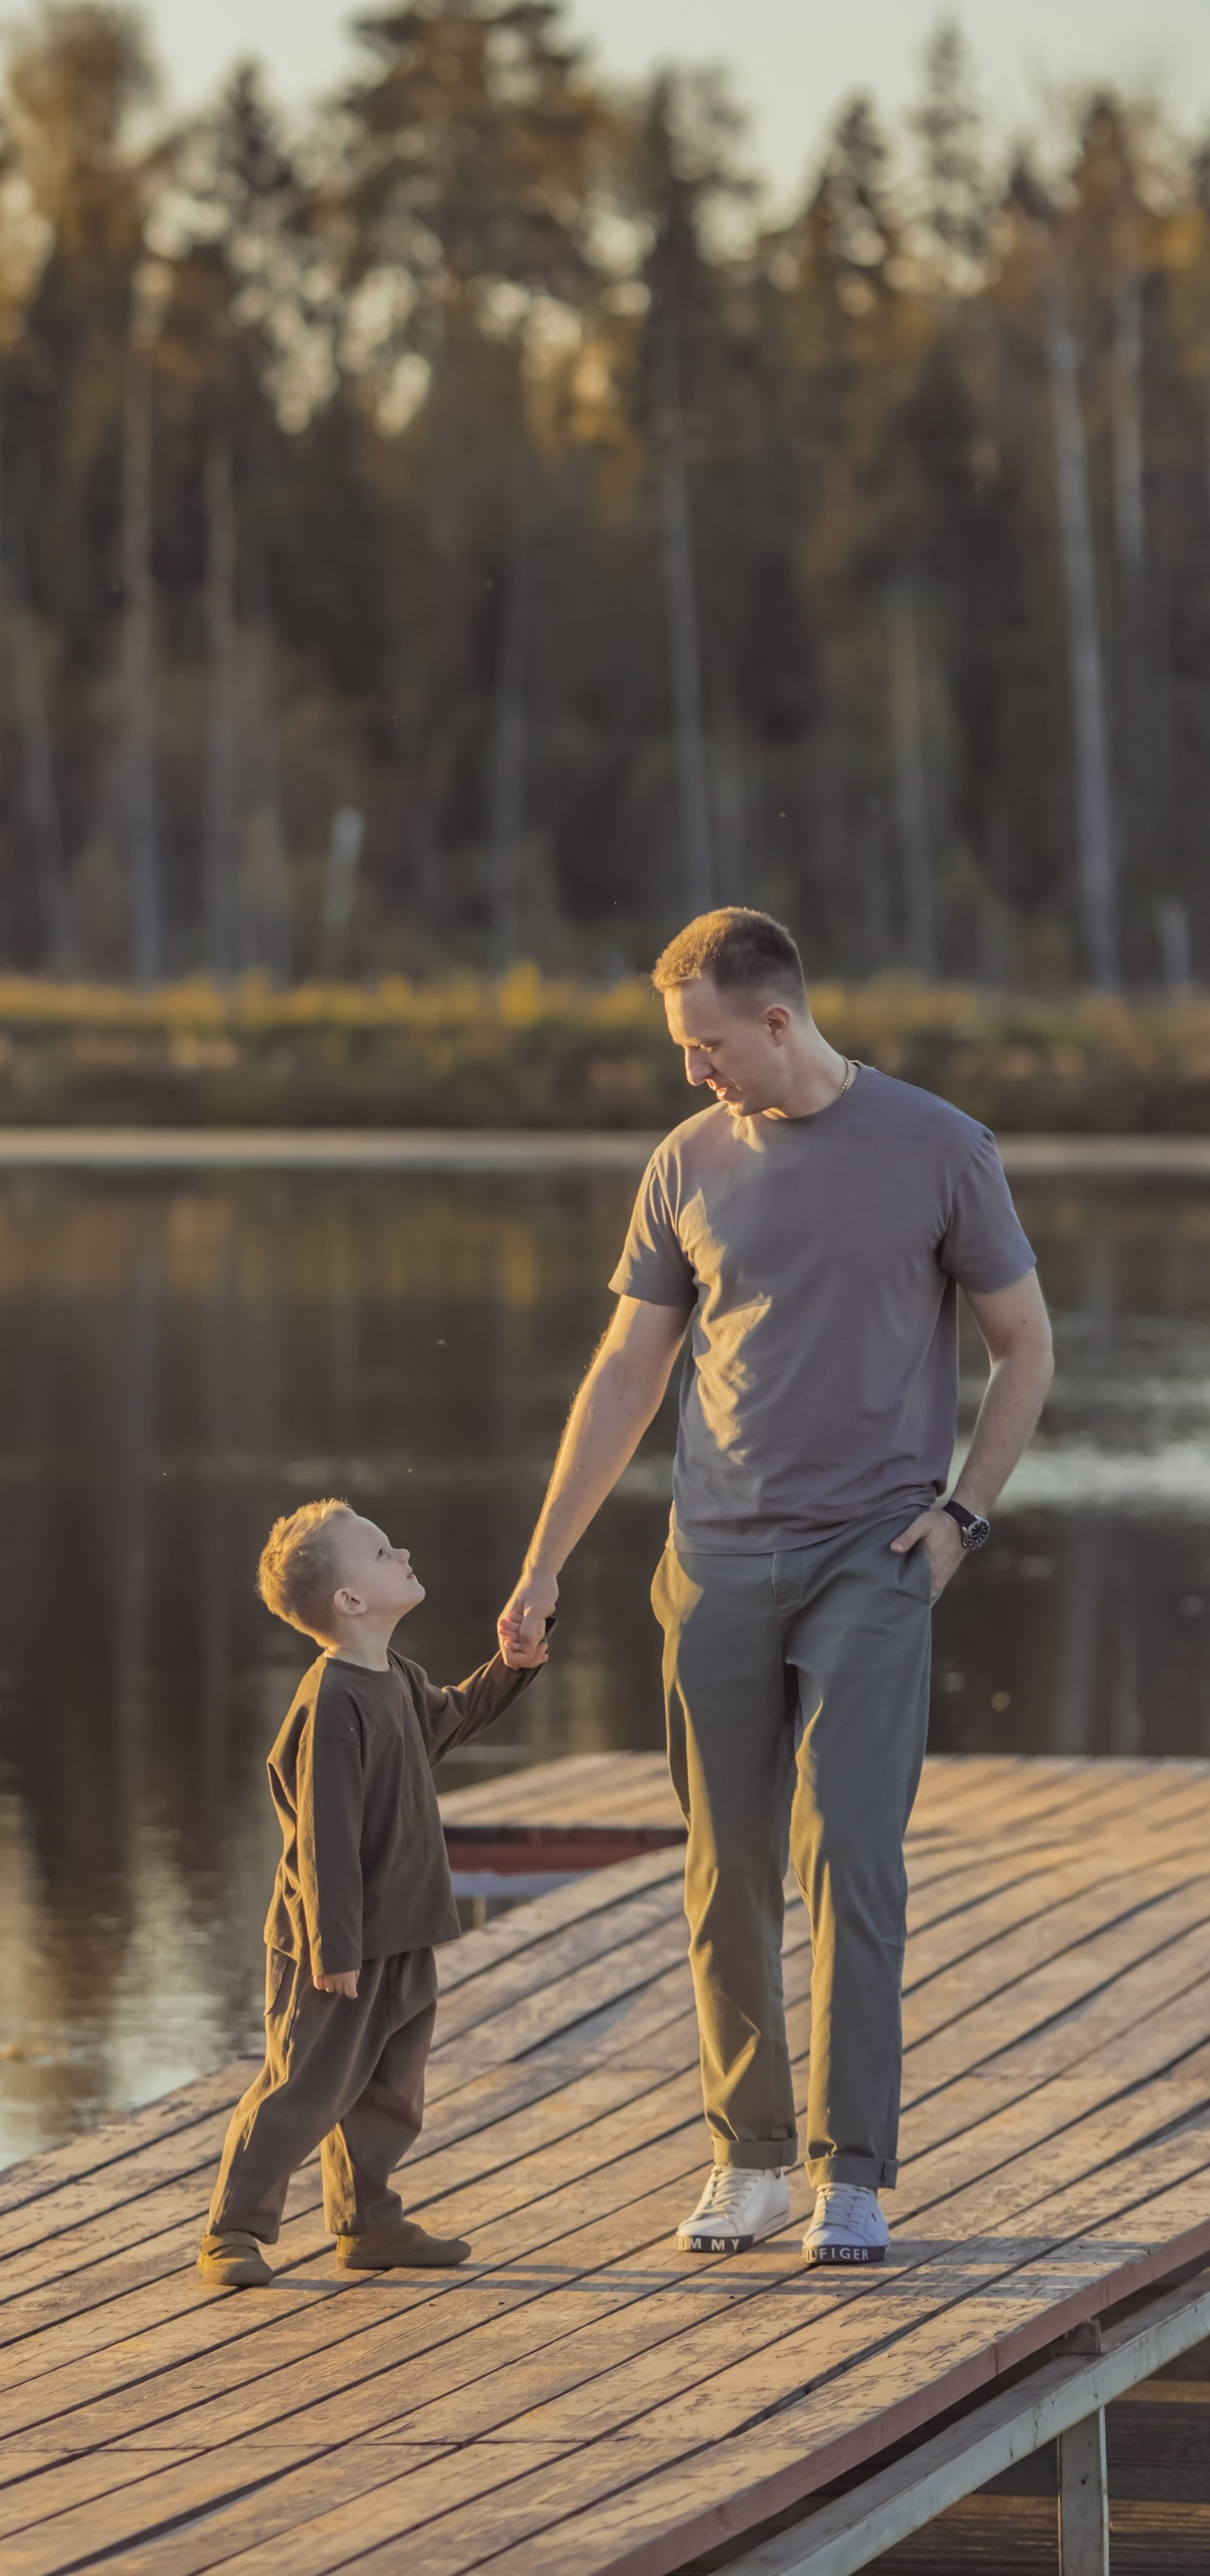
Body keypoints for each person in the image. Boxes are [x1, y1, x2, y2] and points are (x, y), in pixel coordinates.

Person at [496, 908, 1053, 2270]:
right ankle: (746, 2159)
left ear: (778, 1022)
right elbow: (628, 1374)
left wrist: (962, 1520)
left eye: (704, 1046)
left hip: (875, 1556)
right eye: (680, 1049)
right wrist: (545, 1557)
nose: (692, 1072)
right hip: (716, 1561)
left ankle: (850, 2172)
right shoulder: (685, 1162)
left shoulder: (940, 1148)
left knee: (850, 1856)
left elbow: (1025, 1347)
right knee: (724, 1867)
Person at [199, 1501, 547, 2288]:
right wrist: (335, 1948)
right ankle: (234, 2230)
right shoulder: (333, 1703)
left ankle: (369, 2222)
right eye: (385, 1552)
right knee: (304, 2086)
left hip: (404, 1927)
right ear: (349, 1603)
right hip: (336, 1943)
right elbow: (324, 1839)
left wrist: (516, 1665)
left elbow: (452, 1720)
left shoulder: (393, 1678)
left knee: (390, 2088)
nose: (406, 1552)